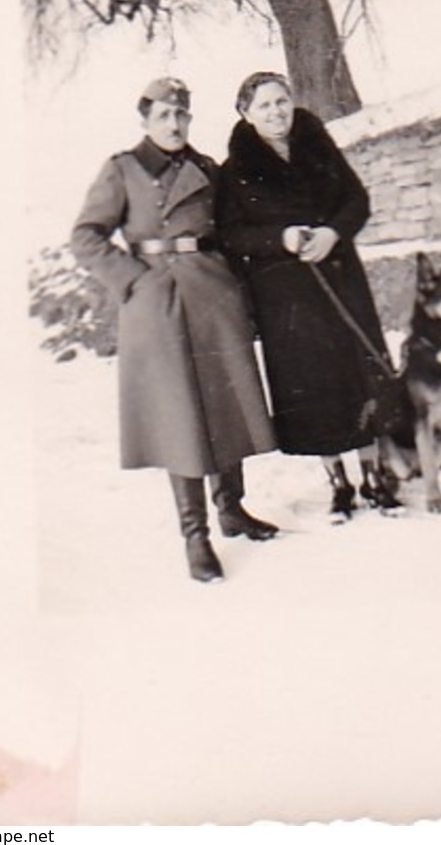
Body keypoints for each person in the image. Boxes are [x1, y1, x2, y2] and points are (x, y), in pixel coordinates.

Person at [71, 77, 278, 583]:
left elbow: (230, 231)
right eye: (163, 115)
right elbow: (85, 237)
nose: (174, 123)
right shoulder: (123, 169)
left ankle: (232, 508)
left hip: (214, 295)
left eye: (181, 114)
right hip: (157, 303)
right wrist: (135, 281)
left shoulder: (206, 168)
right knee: (180, 417)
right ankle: (195, 537)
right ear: (145, 120)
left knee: (227, 404)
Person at [215, 71, 403, 518]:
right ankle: (338, 482)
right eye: (264, 105)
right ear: (245, 113)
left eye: (282, 101)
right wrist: (280, 238)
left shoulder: (318, 146)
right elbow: (230, 234)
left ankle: (375, 474)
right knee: (314, 384)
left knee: (359, 372)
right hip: (287, 296)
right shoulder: (235, 170)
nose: (277, 112)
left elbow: (356, 199)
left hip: (340, 278)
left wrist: (333, 232)